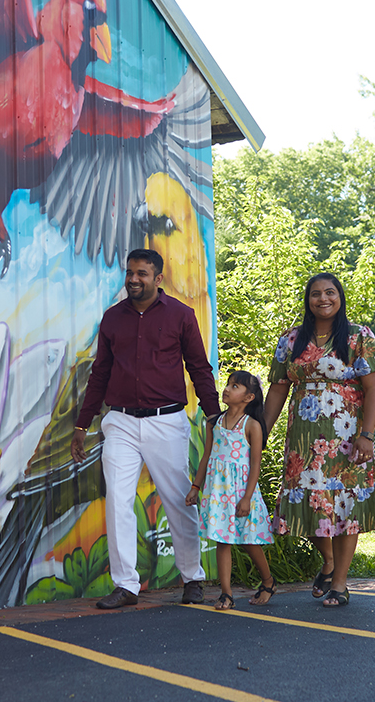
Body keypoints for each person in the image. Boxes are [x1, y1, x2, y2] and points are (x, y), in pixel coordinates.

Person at [71, 248, 220, 609]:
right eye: (130, 273)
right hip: (119, 422)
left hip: (166, 421)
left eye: (142, 273)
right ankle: (126, 586)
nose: (134, 279)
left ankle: (192, 577)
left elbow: (199, 368)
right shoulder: (112, 319)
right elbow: (100, 374)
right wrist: (82, 422)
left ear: (158, 279)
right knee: (118, 502)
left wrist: (215, 417)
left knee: (178, 499)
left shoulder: (181, 316)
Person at [263, 272, 375, 608]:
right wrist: (260, 433)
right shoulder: (291, 340)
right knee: (310, 504)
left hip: (347, 438)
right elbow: (277, 389)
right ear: (308, 300)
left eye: (330, 292)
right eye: (315, 294)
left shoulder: (359, 336)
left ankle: (341, 583)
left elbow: (373, 389)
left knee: (345, 505)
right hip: (304, 443)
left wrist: (367, 435)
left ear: (340, 297)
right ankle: (329, 563)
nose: (323, 299)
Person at [186, 370, 276, 610]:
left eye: (235, 386)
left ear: (249, 397)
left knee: (249, 541)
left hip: (242, 492)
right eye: (228, 384)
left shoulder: (253, 425)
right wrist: (196, 486)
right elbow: (206, 456)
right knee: (221, 540)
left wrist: (247, 498)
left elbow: (255, 464)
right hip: (218, 492)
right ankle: (226, 594)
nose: (227, 389)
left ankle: (268, 581)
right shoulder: (213, 423)